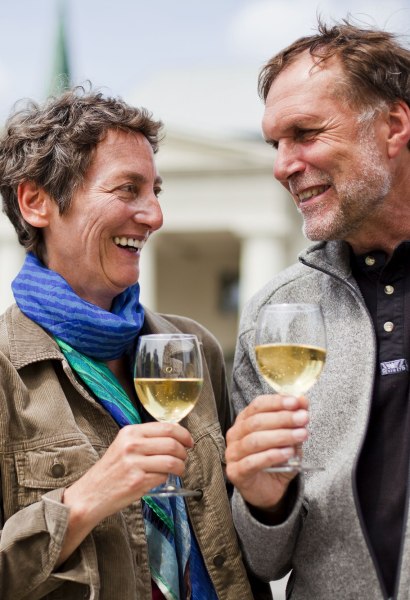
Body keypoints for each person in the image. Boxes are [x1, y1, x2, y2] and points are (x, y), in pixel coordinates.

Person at [0, 86, 271, 600]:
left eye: (156, 191)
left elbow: (249, 535)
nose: (154, 216)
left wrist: (268, 498)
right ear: (36, 202)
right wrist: (81, 502)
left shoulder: (194, 347)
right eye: (127, 190)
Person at [225, 18, 410, 600]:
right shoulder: (275, 314)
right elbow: (266, 559)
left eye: (305, 133)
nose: (283, 164)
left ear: (394, 125)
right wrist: (261, 496)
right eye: (275, 143)